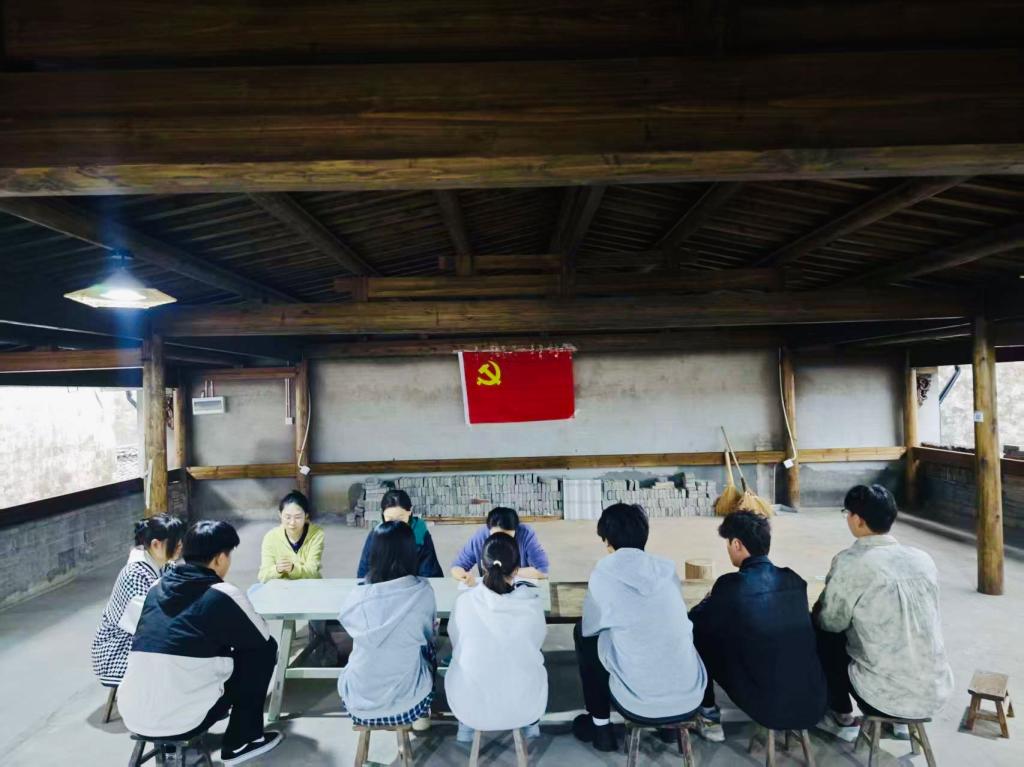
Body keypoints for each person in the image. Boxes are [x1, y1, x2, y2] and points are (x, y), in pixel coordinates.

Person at [117, 521, 283, 767]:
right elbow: (261, 636)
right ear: (219, 558)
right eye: (229, 555)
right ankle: (242, 740)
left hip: (133, 714)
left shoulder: (155, 587)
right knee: (264, 650)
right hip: (184, 721)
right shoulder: (223, 593)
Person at [814, 485, 954, 742]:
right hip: (935, 689)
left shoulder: (852, 562)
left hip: (883, 696)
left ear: (857, 519)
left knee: (824, 635)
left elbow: (830, 622)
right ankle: (901, 725)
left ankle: (842, 714)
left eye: (848, 513)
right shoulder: (923, 559)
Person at [573, 503, 706, 753]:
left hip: (640, 703)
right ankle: (670, 730)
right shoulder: (666, 569)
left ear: (608, 541)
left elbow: (591, 626)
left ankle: (601, 727)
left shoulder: (604, 571)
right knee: (663, 631)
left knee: (584, 635)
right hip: (690, 697)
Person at [688, 511, 826, 741]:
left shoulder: (731, 585)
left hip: (769, 708)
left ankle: (708, 714)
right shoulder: (793, 579)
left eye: (728, 544)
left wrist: (707, 601)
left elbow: (695, 621)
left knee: (699, 634)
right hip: (814, 703)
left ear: (736, 544)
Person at [446, 532, 547, 743]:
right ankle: (531, 726)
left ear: (483, 566)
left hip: (469, 708)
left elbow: (456, 642)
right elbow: (536, 643)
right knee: (533, 661)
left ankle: (465, 728)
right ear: (517, 570)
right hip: (524, 708)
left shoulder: (464, 602)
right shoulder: (532, 604)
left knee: (462, 659)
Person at [338, 521, 437, 732]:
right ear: (410, 552)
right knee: (428, 648)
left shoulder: (358, 596)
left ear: (374, 553)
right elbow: (428, 635)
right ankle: (423, 716)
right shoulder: (423, 592)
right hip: (409, 706)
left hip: (357, 705)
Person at [91, 514, 186, 687]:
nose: (180, 546)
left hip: (143, 642)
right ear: (156, 544)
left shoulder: (166, 566)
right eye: (176, 542)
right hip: (117, 653)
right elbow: (151, 624)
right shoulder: (134, 575)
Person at [357, 489, 443, 579]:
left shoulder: (420, 534)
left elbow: (429, 573)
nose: (396, 524)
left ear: (410, 511)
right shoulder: (376, 534)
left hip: (413, 584)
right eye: (390, 519)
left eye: (400, 518)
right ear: (382, 514)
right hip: (382, 584)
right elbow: (364, 571)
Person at [450, 507, 550, 585]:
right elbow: (457, 566)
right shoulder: (480, 537)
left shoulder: (526, 534)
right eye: (496, 536)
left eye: (507, 537)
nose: (501, 542)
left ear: (516, 530)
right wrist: (464, 577)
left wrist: (510, 572)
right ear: (489, 530)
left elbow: (543, 570)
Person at [258, 490, 324, 583]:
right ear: (280, 515)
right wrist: (277, 569)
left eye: (298, 517)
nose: (292, 522)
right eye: (288, 517)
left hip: (309, 586)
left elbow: (313, 572)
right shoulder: (271, 537)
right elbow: (263, 576)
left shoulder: (316, 534)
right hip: (281, 588)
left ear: (306, 516)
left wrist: (293, 569)